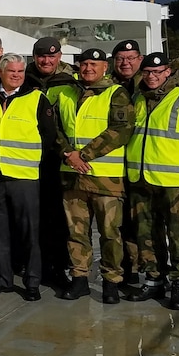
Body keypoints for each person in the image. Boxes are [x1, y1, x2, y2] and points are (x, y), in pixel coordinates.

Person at [122, 52, 179, 310]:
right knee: (146, 232)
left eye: (157, 72)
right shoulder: (137, 98)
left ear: (168, 72)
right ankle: (154, 279)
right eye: (147, 72)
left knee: (176, 233)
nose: (151, 77)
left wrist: (176, 166)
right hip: (141, 178)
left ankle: (178, 283)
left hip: (173, 181)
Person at [0, 54, 57, 300]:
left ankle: (32, 282)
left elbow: (48, 135)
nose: (17, 75)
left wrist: (33, 159)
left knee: (29, 232)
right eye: (12, 72)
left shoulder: (36, 98)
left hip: (24, 176)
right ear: (0, 71)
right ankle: (3, 279)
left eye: (20, 71)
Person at [57, 48, 134, 304]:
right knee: (76, 231)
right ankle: (79, 278)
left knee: (110, 233)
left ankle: (112, 281)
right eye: (84, 63)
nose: (88, 68)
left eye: (94, 64)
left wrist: (84, 155)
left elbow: (121, 130)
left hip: (105, 179)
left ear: (105, 67)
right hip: (72, 177)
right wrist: (68, 153)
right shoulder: (68, 93)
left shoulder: (116, 94)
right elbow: (54, 128)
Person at [26, 36, 76, 287]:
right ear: (34, 57)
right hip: (30, 157)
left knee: (59, 216)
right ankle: (35, 265)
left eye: (52, 56)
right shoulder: (24, 80)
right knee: (33, 216)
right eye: (42, 56)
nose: (46, 61)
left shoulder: (70, 82)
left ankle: (59, 266)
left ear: (59, 57)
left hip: (59, 158)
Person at [111, 39, 144, 284]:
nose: (126, 63)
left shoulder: (152, 84)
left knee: (142, 223)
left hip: (144, 165)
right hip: (114, 165)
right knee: (116, 223)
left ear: (140, 60)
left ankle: (142, 269)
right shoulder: (107, 86)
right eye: (121, 58)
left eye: (131, 58)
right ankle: (124, 269)